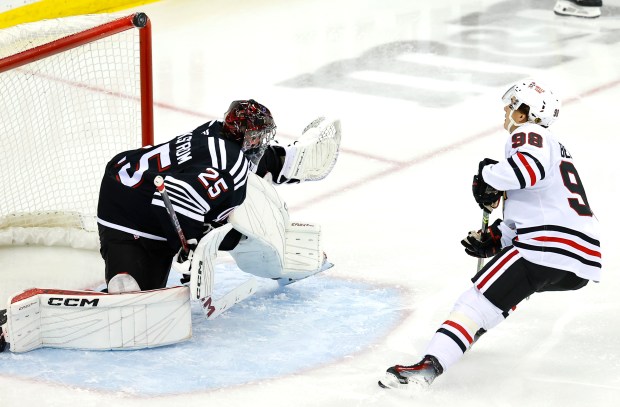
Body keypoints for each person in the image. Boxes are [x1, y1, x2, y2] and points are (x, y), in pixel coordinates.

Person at [378, 79, 602, 389]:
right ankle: (470, 332)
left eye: (512, 106)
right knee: (505, 293)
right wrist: (497, 237)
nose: (506, 110)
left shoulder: (530, 135)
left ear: (524, 114)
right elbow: (537, 207)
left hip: (544, 247)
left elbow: (526, 172)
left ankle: (429, 366)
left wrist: (488, 175)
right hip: (578, 258)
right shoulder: (557, 150)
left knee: (475, 302)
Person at [97, 99, 337, 293]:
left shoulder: (213, 130)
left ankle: (289, 160)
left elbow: (227, 164)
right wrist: (191, 243)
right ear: (249, 137)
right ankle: (127, 277)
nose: (262, 140)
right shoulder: (230, 165)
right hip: (134, 216)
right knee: (133, 294)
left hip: (121, 180)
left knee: (228, 213)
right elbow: (175, 198)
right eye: (259, 136)